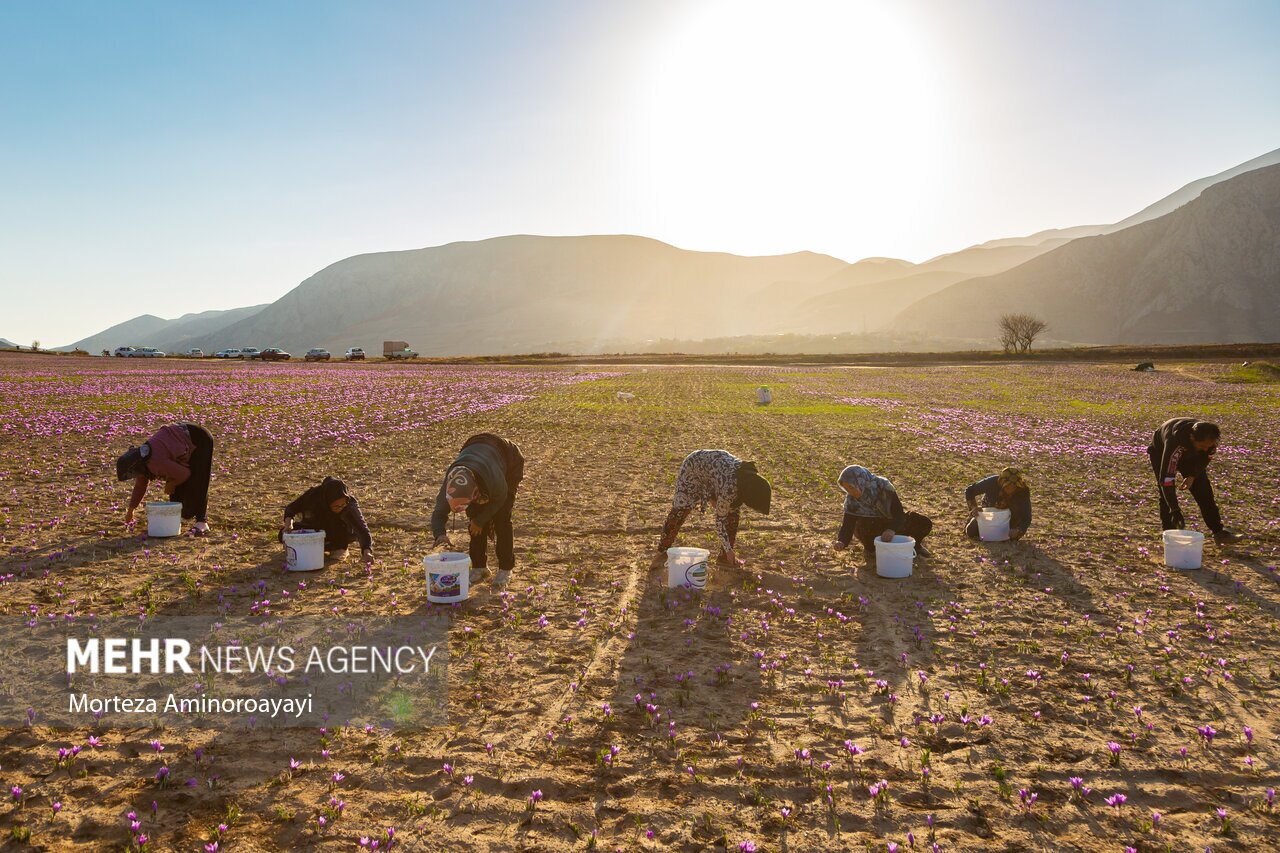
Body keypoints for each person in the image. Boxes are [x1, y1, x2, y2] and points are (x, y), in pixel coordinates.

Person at [431, 433, 525, 586]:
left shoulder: (494, 479)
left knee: (501, 519)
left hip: (508, 460)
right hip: (477, 448)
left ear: (475, 492)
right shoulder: (451, 485)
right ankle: (479, 567)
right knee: (473, 516)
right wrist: (439, 534)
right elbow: (439, 511)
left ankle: (506, 569)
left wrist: (481, 521)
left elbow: (500, 499)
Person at [654, 450, 772, 568]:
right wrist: (729, 550)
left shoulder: (748, 480)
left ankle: (724, 558)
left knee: (733, 514)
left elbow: (718, 481)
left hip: (714, 473)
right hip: (694, 467)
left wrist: (714, 497)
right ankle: (662, 552)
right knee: (680, 510)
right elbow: (720, 522)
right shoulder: (730, 488)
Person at [1147, 418, 1244, 545]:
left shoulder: (1208, 442)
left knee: (1204, 491)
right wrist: (1175, 510)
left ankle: (1219, 533)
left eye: (1208, 446)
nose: (1206, 449)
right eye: (1203, 446)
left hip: (1191, 454)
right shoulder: (1174, 443)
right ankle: (1170, 536)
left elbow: (1204, 458)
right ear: (1192, 437)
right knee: (1166, 496)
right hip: (1160, 451)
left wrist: (1192, 475)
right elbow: (1167, 480)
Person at [116, 423, 214, 535]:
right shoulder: (142, 458)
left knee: (198, 479)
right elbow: (140, 486)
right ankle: (177, 519)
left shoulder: (155, 462)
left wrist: (171, 484)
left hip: (198, 438)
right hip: (181, 442)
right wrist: (131, 510)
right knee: (176, 487)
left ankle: (202, 522)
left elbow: (185, 474)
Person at [833, 465, 933, 558]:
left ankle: (916, 546)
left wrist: (891, 529)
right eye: (846, 489)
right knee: (862, 526)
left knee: (922, 523)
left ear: (861, 481)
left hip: (891, 524)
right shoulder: (851, 500)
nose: (850, 492)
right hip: (871, 529)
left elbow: (898, 514)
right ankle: (871, 549)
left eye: (851, 487)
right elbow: (848, 525)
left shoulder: (883, 487)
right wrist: (842, 541)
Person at [280, 476, 373, 563]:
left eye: (342, 505)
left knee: (339, 529)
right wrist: (289, 524)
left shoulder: (349, 505)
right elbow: (291, 508)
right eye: (336, 506)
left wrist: (367, 551)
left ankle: (339, 548)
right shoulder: (313, 496)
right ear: (327, 501)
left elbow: (362, 529)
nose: (340, 508)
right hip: (316, 528)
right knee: (284, 534)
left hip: (338, 532)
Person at [965, 467, 1032, 540]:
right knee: (971, 531)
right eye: (1008, 486)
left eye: (1014, 487)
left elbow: (1027, 517)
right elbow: (970, 491)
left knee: (1008, 538)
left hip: (1010, 521)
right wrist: (974, 508)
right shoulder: (992, 482)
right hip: (989, 516)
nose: (1011, 489)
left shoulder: (1023, 491)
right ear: (1002, 483)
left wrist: (1018, 530)